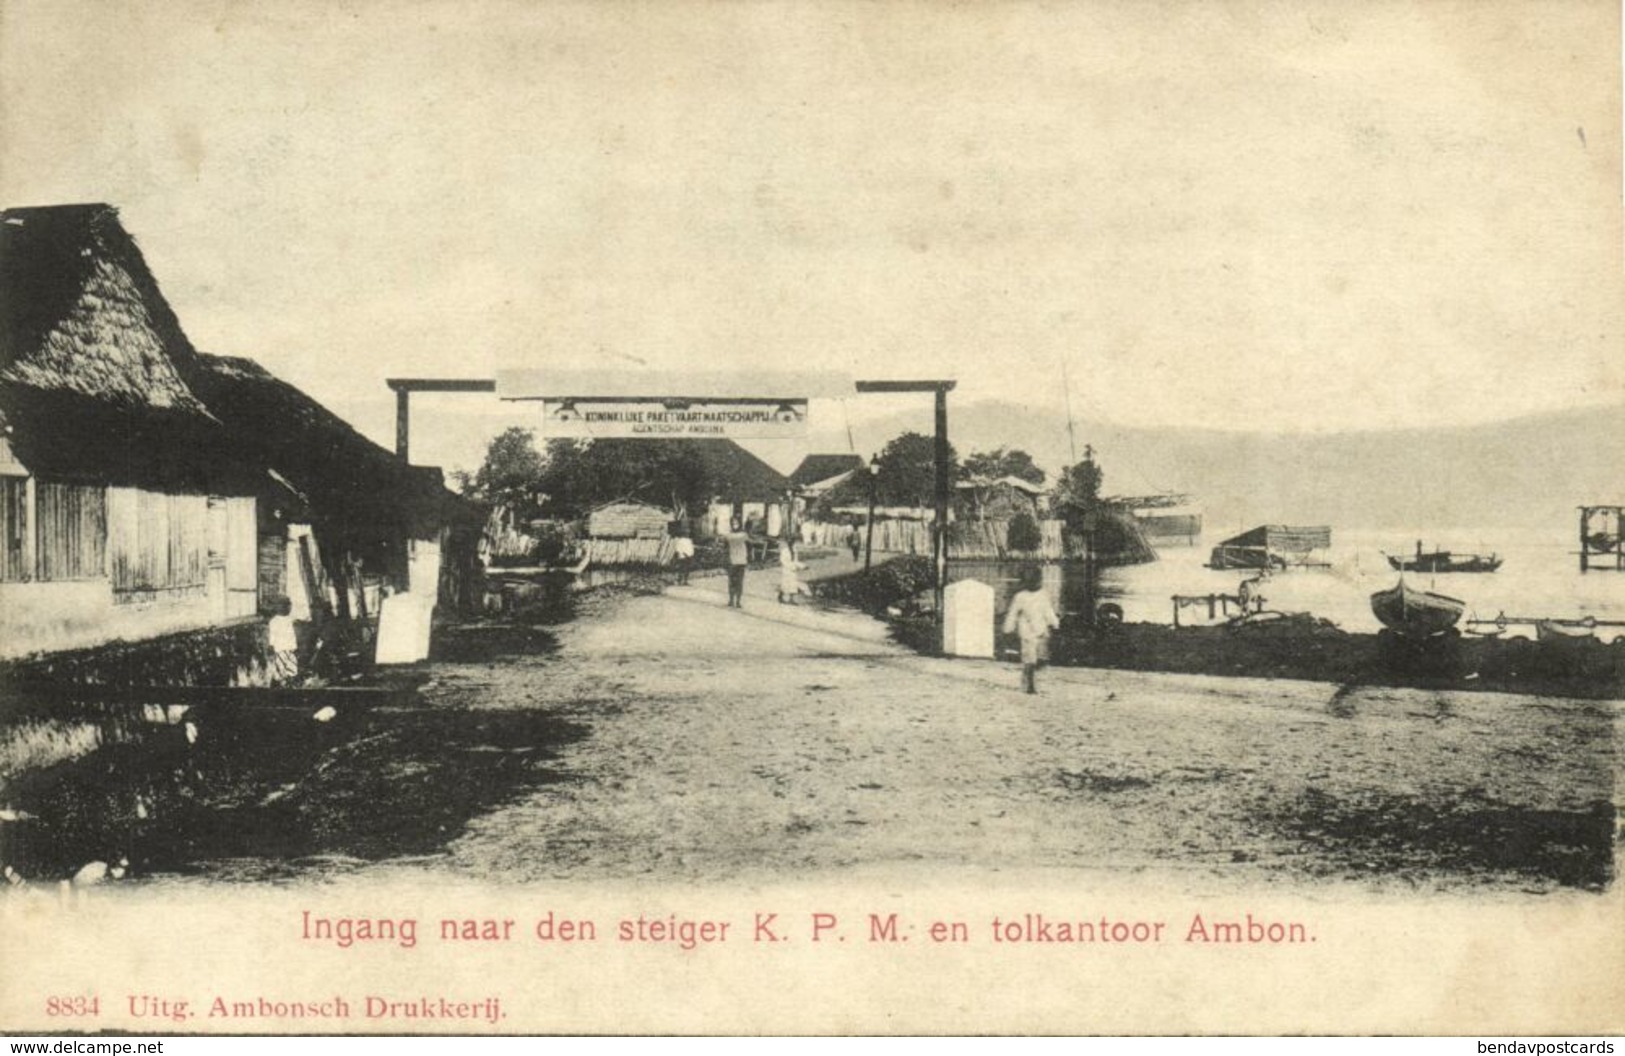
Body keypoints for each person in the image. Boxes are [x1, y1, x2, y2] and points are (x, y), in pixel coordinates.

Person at [1002, 565, 1060, 694]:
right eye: (1030, 580)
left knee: (1041, 659)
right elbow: (1013, 613)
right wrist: (1008, 628)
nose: (1034, 583)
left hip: (1042, 631)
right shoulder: (1020, 597)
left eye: (1036, 580)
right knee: (1029, 660)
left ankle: (1033, 680)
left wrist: (1055, 623)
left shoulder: (1043, 595)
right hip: (1027, 632)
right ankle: (1029, 685)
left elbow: (1048, 612)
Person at [724, 516, 750, 608]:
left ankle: (737, 601)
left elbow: (748, 547)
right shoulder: (743, 535)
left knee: (738, 582)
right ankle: (731, 600)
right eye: (733, 523)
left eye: (736, 523)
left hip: (740, 561)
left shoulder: (729, 536)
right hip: (733, 560)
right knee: (733, 581)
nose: (735, 525)